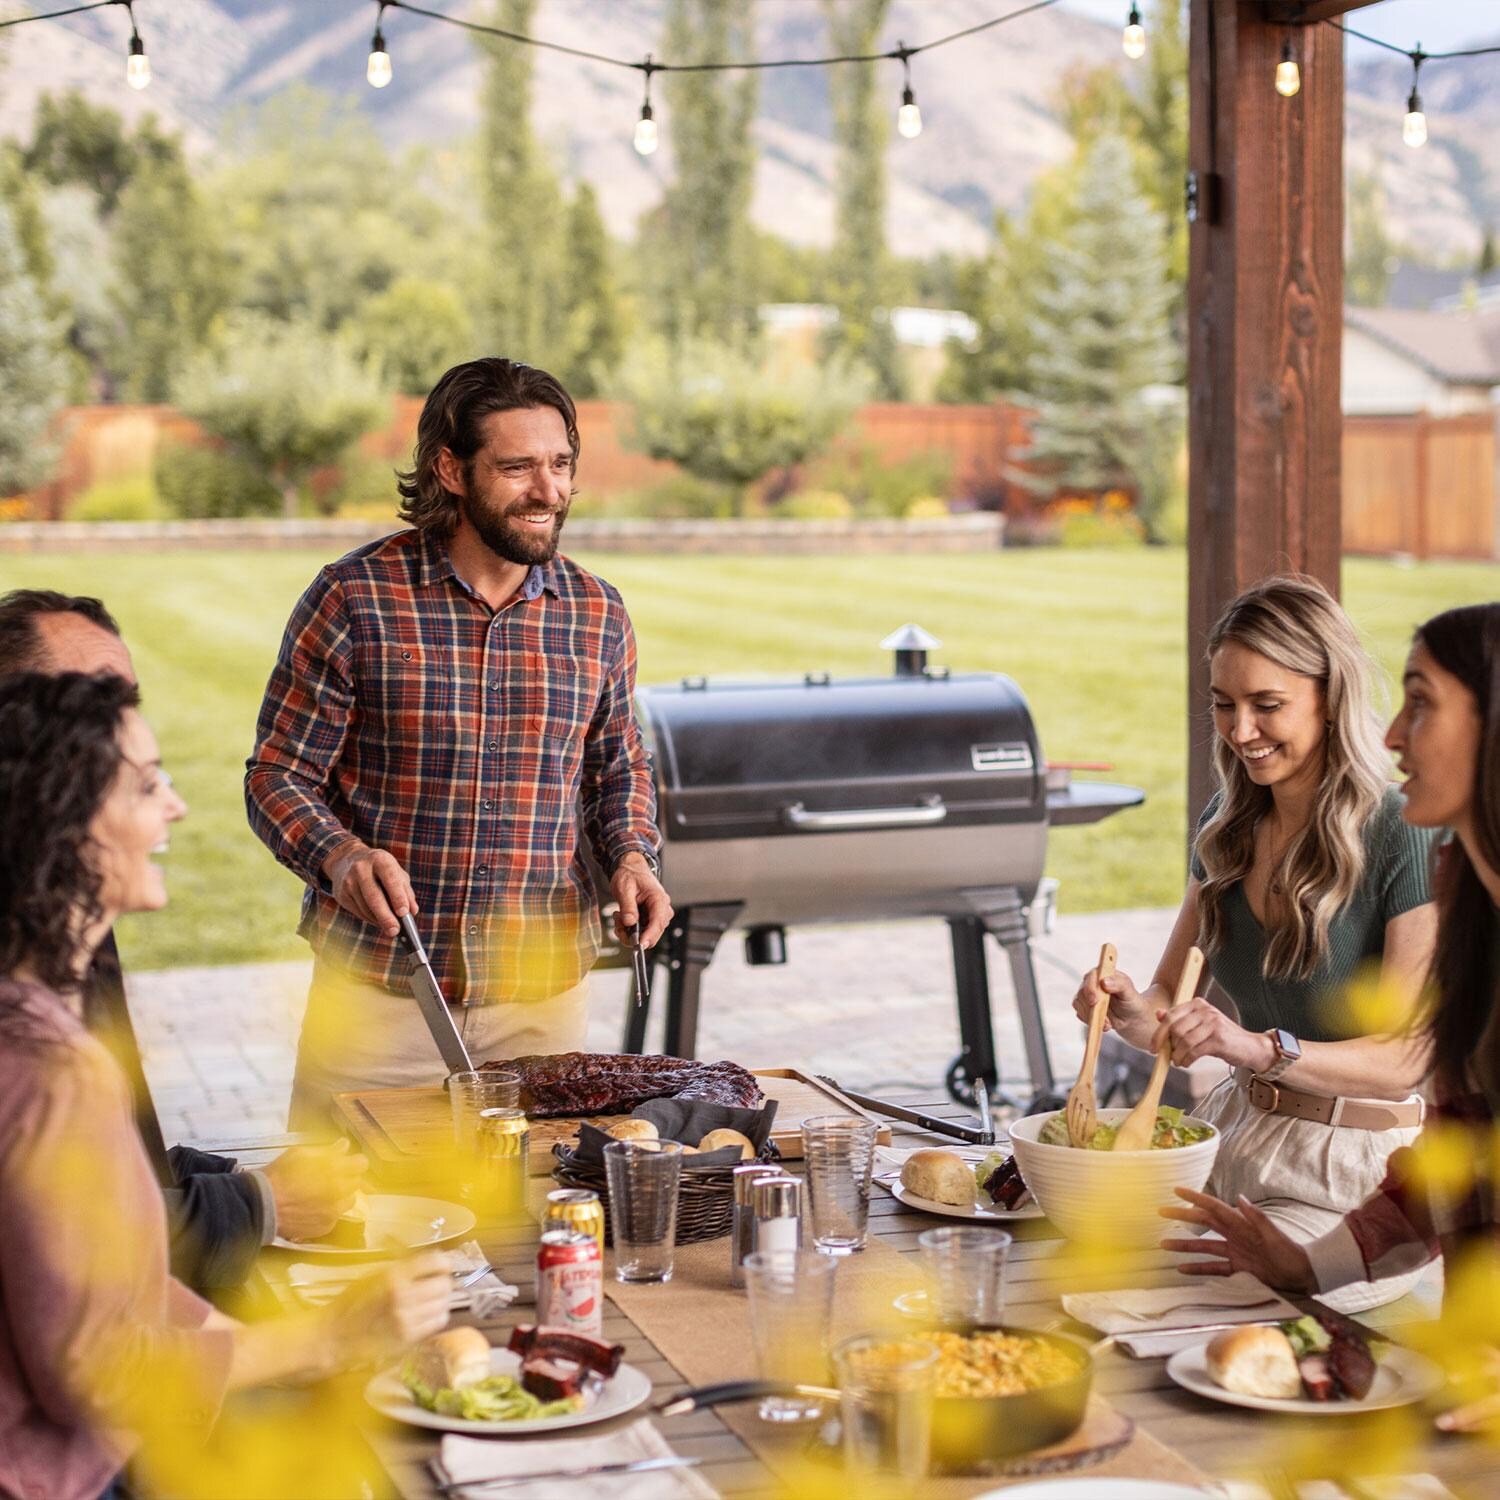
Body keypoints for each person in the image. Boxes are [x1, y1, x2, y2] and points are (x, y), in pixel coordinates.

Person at [0, 670, 451, 1500]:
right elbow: (94, 1371)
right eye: (147, 786)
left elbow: (104, 1288)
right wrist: (326, 1337)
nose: (175, 807)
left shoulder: (32, 1021)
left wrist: (244, 1336)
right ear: (64, 823)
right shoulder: (50, 1070)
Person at [245, 359, 672, 1127]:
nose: (548, 490)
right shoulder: (355, 597)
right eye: (517, 467)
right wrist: (341, 857)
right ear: (450, 469)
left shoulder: (597, 613)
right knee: (340, 1199)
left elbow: (617, 768)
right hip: (379, 1000)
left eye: (560, 464)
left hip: (543, 1007)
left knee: (535, 1204)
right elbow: (278, 775)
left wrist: (633, 856)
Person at [1164, 602, 1500, 1426]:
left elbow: (1409, 1070)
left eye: (1420, 704)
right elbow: (1460, 1156)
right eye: (1224, 703)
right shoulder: (1469, 900)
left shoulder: (1408, 846)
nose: (1392, 734)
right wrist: (1309, 1266)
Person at [1074, 576, 1439, 1310]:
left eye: (1267, 705)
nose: (1240, 731)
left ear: (1330, 697)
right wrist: (1127, 1010)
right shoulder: (1227, 824)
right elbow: (1167, 1011)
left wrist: (1253, 1046)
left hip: (1349, 1169)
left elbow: (1405, 1060)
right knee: (1079, 1250)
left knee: (1202, 1298)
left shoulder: (1402, 831)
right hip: (1233, 1131)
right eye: (1223, 704)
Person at [0, 588, 365, 1293]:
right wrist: (259, 1203)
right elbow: (65, 1251)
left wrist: (226, 1180)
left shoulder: (66, 928)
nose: (177, 805)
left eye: (122, 700)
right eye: (89, 703)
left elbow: (100, 1163)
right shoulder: (24, 1017)